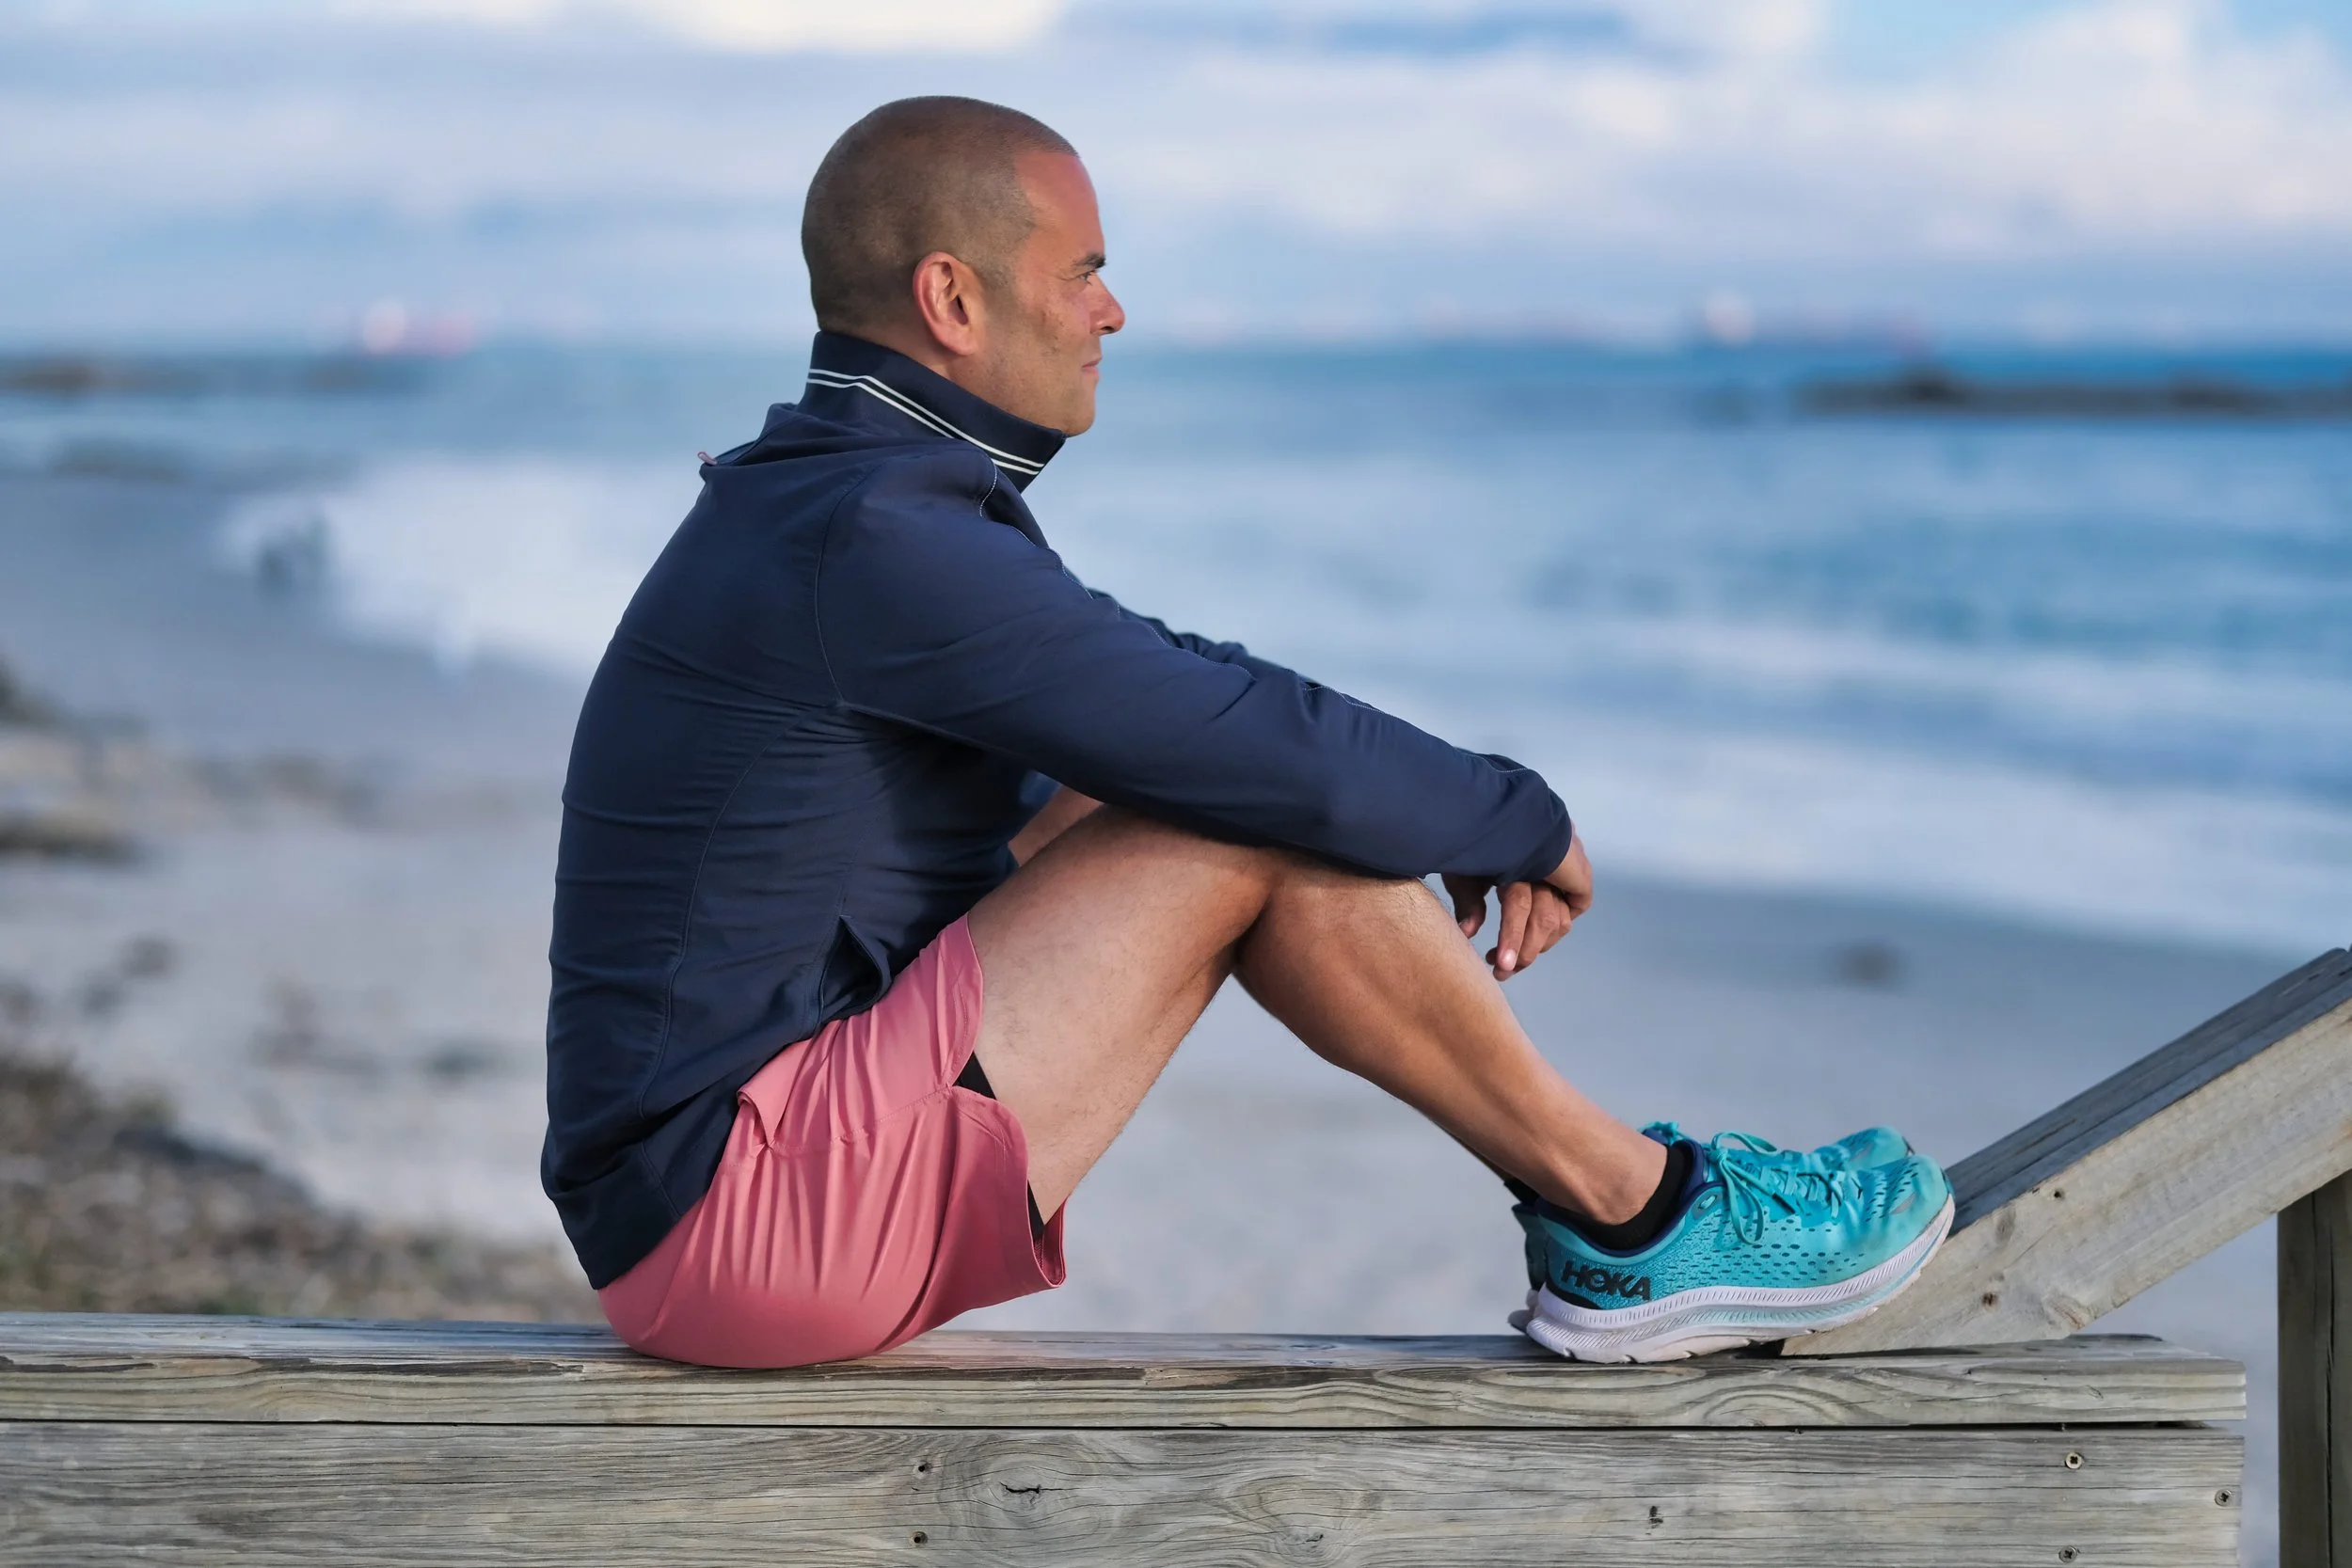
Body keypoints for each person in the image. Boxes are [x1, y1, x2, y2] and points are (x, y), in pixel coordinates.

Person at [542, 96, 1952, 1370]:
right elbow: (1236, 740)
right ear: (952, 298)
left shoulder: (842, 503)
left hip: (710, 1199)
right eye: (1083, 272)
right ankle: (1639, 1214)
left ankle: (1617, 1216)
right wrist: (1518, 817)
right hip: (736, 1218)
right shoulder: (870, 532)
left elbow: (1172, 690)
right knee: (1243, 818)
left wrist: (1438, 805)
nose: (1112, 312)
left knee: (1169, 791)